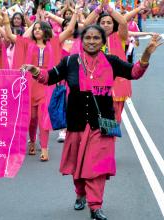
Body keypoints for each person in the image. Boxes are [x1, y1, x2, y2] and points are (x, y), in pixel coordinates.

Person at [24, 25, 162, 220]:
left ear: (103, 42)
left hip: (103, 125)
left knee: (95, 168)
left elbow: (135, 72)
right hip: (76, 124)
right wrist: (35, 71)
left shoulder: (111, 61)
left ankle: (95, 207)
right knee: (78, 167)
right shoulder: (70, 61)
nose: (91, 41)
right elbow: (49, 77)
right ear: (82, 41)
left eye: (96, 38)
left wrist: (146, 54)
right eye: (88, 37)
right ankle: (80, 193)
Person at [2, 5, 78, 161]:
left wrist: (76, 13)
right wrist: (6, 19)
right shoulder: (26, 43)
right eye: (34, 29)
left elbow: (70, 30)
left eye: (39, 28)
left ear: (46, 30)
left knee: (44, 117)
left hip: (47, 82)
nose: (36, 30)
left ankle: (44, 148)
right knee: (32, 117)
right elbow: (9, 35)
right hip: (30, 84)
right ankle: (32, 141)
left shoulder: (55, 42)